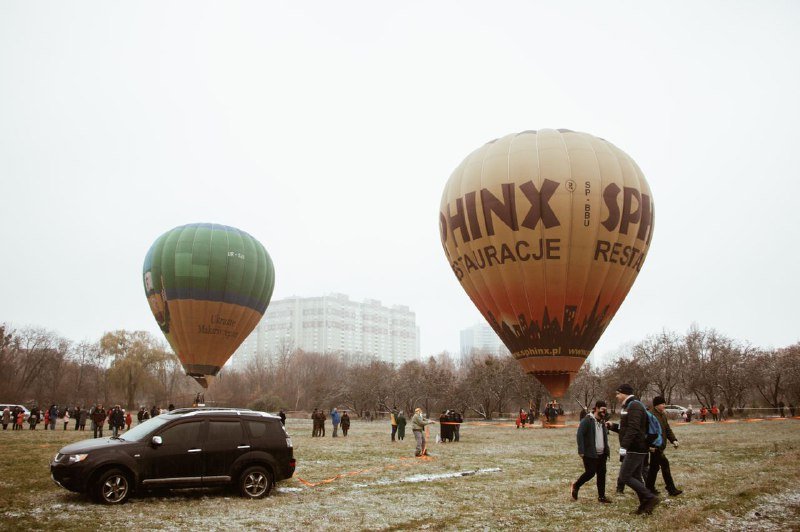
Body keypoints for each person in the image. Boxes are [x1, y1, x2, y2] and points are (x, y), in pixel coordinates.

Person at [607, 384, 660, 515]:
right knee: (636, 476)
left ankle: (650, 497)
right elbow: (627, 428)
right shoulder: (629, 406)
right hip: (636, 447)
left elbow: (634, 429)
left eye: (618, 393)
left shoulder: (634, 405)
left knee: (624, 476)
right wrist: (613, 426)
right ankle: (645, 506)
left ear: (624, 393)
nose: (616, 396)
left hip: (636, 447)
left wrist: (624, 446)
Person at [571, 400, 612, 503]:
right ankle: (576, 485)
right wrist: (581, 450)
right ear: (597, 408)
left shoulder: (602, 422)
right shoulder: (587, 420)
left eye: (605, 411)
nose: (604, 413)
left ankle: (601, 497)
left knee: (602, 474)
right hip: (590, 453)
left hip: (602, 454)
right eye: (602, 410)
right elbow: (579, 434)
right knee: (590, 473)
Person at [646, 396, 683, 497]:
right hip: (655, 446)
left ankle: (649, 489)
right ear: (657, 405)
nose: (664, 405)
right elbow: (647, 432)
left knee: (654, 468)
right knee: (664, 465)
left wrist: (674, 440)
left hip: (660, 446)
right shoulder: (651, 416)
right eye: (662, 404)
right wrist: (650, 445)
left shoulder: (662, 415)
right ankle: (671, 489)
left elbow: (667, 429)